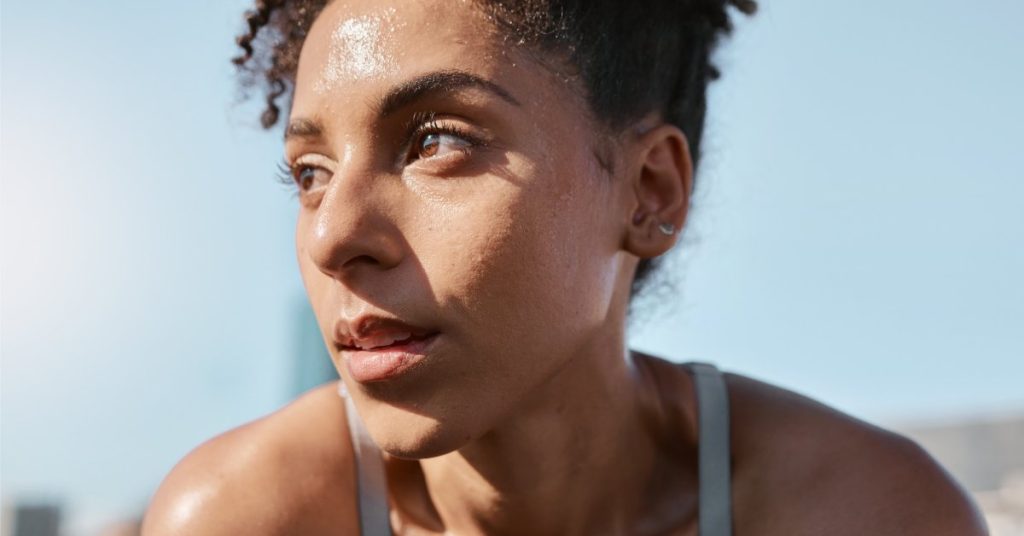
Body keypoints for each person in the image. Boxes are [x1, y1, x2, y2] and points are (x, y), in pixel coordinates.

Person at [142, 1, 988, 534]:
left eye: (437, 141)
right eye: (310, 174)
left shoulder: (863, 513)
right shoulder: (244, 518)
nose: (333, 236)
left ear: (649, 189)